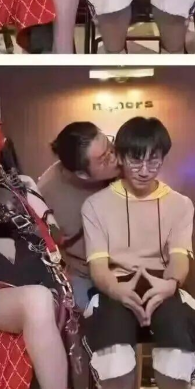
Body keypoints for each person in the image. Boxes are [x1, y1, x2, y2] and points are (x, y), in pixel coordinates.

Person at [81, 117, 195, 389]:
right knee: (114, 364)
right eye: (136, 160)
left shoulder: (180, 204)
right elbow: (98, 267)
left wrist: (170, 285)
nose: (144, 170)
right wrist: (117, 290)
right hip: (115, 287)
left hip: (163, 284)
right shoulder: (95, 205)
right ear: (120, 157)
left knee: (177, 358)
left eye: (154, 161)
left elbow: (179, 258)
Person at [0, 111, 79, 389]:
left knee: (41, 297)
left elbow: (54, 234)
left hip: (46, 279)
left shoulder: (23, 183)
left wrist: (29, 199)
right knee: (36, 298)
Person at [38, 122, 119, 310]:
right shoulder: (48, 193)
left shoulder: (124, 164)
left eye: (110, 146)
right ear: (82, 174)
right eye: (104, 159)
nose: (114, 158)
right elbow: (44, 246)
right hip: (84, 273)